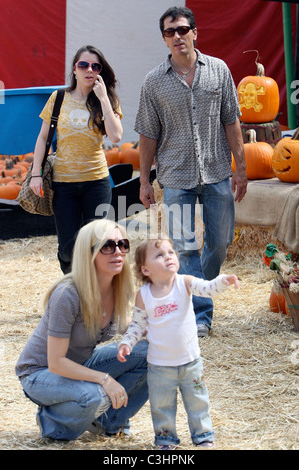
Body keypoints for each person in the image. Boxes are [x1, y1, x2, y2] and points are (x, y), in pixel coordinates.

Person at [134, 7, 247, 337]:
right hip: (175, 176)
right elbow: (147, 135)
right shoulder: (154, 82)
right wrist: (144, 180)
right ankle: (201, 315)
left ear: (195, 32)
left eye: (182, 29)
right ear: (164, 39)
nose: (177, 36)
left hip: (216, 172)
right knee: (184, 247)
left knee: (222, 242)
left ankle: (194, 289)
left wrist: (241, 168)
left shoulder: (219, 70)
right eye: (170, 32)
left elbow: (232, 121)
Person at [15, 219, 148, 441]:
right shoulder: (67, 294)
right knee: (93, 396)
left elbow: (127, 324)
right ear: (89, 254)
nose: (118, 251)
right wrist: (105, 379)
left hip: (79, 365)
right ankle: (52, 424)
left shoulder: (117, 288)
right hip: (41, 373)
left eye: (122, 244)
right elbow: (56, 362)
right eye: (108, 245)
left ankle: (107, 423)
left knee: (151, 354)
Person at [117, 238, 239, 449]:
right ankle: (165, 439)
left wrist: (223, 281)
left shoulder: (184, 282)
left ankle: (203, 436)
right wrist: (126, 343)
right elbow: (137, 325)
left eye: (171, 252)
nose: (169, 257)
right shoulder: (144, 295)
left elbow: (207, 288)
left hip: (190, 362)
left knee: (198, 401)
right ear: (146, 270)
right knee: (161, 405)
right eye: (160, 255)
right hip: (160, 365)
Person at [30, 45, 123, 274]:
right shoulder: (58, 97)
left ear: (100, 71)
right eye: (83, 64)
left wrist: (103, 100)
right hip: (64, 184)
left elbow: (116, 136)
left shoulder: (106, 99)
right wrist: (35, 173)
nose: (89, 70)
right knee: (68, 248)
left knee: (98, 243)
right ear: (74, 69)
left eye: (95, 66)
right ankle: (74, 293)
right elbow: (43, 138)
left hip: (97, 182)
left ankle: (97, 295)